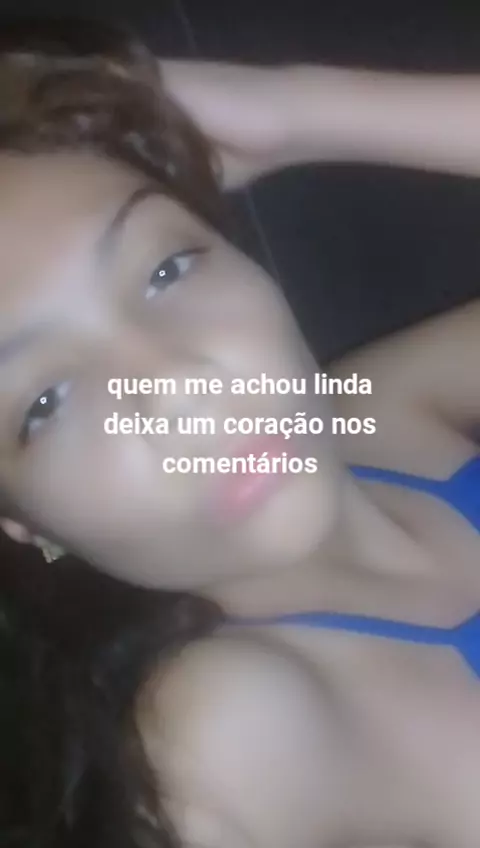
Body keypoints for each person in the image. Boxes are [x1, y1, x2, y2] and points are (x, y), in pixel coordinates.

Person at [2, 14, 480, 848]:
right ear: (23, 523)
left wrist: (295, 113)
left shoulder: (376, 411)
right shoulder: (222, 734)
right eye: (46, 401)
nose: (179, 389)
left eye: (167, 268)